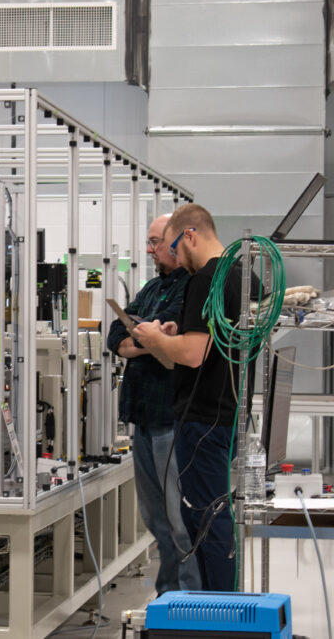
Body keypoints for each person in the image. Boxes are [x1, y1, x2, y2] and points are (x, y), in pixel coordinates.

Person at [133, 204, 252, 592]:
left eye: (174, 248)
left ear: (190, 236)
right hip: (221, 415)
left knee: (205, 521)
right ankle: (220, 605)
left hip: (200, 420)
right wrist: (173, 334)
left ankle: (218, 612)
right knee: (212, 518)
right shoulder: (234, 274)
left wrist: (154, 339)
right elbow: (207, 343)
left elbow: (193, 354)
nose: (176, 260)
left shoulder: (205, 279)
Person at [107, 214, 200, 594]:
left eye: (156, 242)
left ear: (179, 242)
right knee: (155, 520)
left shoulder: (191, 288)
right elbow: (116, 335)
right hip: (141, 420)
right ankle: (167, 598)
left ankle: (193, 603)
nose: (150, 250)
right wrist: (144, 338)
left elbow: (168, 332)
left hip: (170, 419)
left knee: (180, 520)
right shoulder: (150, 288)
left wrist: (145, 336)